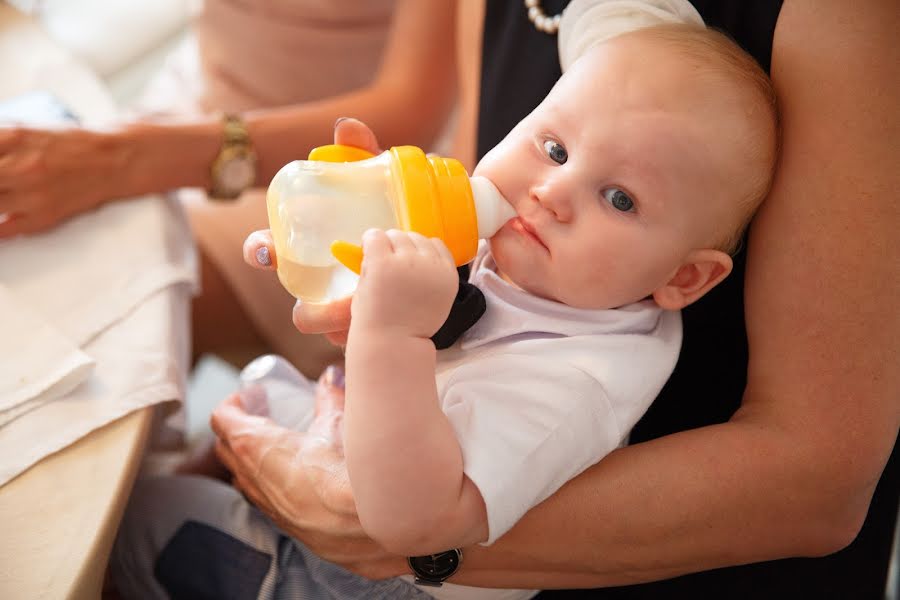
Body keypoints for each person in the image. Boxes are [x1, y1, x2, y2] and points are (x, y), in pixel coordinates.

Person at [200, 1, 898, 598]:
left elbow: (408, 522)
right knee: (231, 415)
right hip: (371, 469)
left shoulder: (574, 382)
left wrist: (391, 339)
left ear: (685, 280)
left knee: (140, 523)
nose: (551, 193)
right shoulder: (550, 266)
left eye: (620, 198)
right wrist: (371, 241)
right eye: (556, 148)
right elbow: (476, 236)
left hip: (381, 578)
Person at [0, 0, 458, 378]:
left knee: (95, 312)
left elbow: (410, 107)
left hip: (337, 171)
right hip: (196, 97)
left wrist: (125, 159)